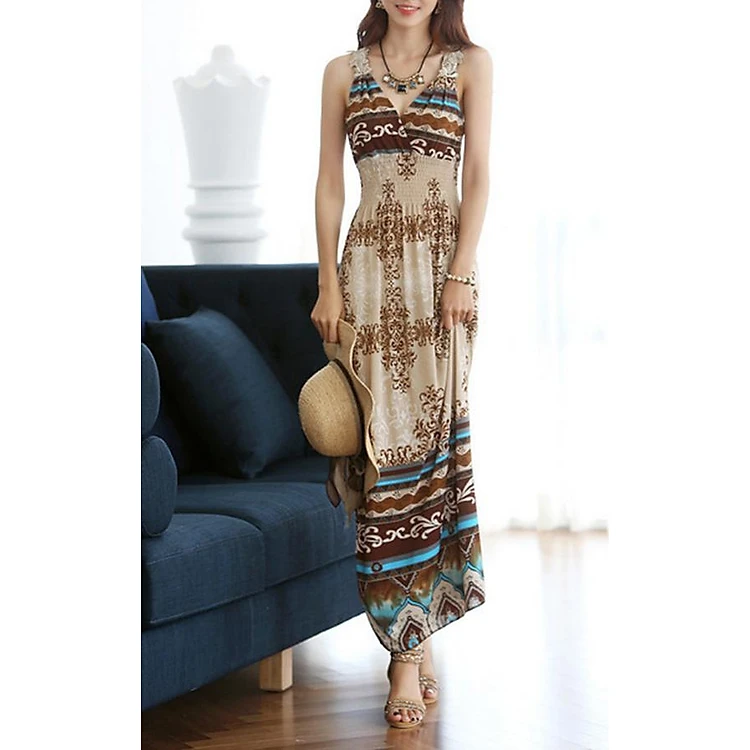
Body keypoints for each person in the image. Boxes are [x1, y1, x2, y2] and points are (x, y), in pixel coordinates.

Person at [310, 0, 493, 730]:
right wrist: (327, 282)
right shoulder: (341, 72)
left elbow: (478, 176)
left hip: (443, 284)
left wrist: (462, 272)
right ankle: (406, 648)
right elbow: (330, 184)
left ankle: (414, 632)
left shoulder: (471, 66)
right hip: (366, 279)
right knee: (383, 457)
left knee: (434, 455)